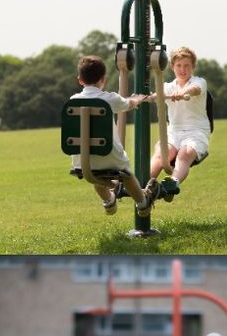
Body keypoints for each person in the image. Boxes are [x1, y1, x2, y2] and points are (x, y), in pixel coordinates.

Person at [68, 55, 159, 217]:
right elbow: (128, 104)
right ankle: (142, 203)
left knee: (97, 175)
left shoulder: (73, 100)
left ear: (80, 80)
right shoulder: (109, 99)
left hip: (82, 160)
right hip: (109, 156)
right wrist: (139, 98)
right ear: (103, 79)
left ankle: (109, 201)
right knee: (126, 174)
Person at [149, 47, 210, 195]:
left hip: (196, 132)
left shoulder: (199, 82)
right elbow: (159, 94)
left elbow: (195, 89)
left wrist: (183, 93)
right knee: (162, 153)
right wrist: (149, 98)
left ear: (193, 67)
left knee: (185, 154)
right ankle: (143, 184)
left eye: (187, 65)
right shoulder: (168, 87)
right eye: (179, 65)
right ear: (172, 67)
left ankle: (171, 184)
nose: (183, 69)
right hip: (174, 132)